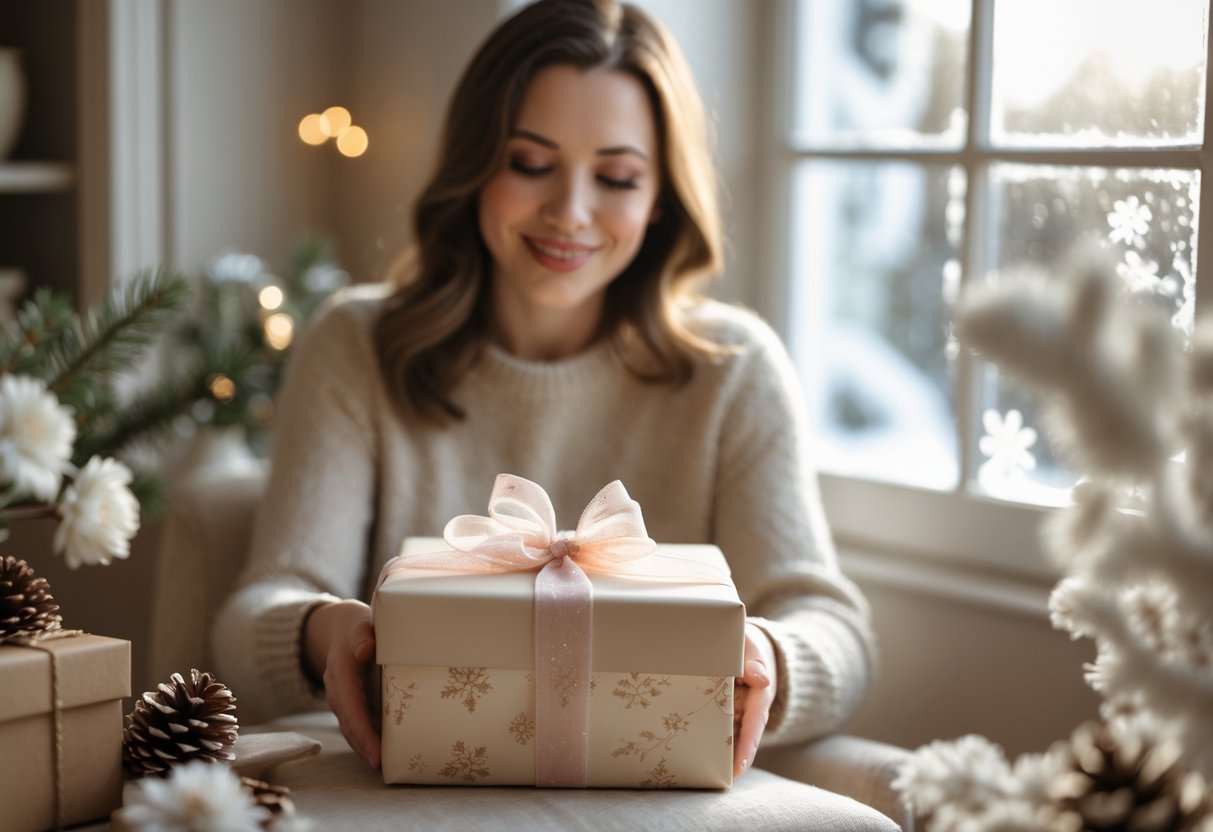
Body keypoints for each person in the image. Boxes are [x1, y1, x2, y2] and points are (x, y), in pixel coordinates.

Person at [214, 0, 876, 783]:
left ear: (659, 196)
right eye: (530, 164)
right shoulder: (356, 345)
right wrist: (327, 633)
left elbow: (834, 628)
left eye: (617, 177)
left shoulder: (732, 367)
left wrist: (763, 650)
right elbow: (251, 619)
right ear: (474, 165)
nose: (569, 213)